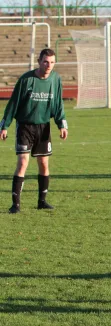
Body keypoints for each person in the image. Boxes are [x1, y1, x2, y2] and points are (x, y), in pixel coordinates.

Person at [0, 48, 68, 214]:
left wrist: (62, 124)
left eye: (52, 62)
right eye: (45, 61)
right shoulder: (26, 80)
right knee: (23, 163)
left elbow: (58, 104)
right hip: (25, 126)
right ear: (39, 61)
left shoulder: (56, 79)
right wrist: (4, 125)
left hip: (44, 127)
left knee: (44, 164)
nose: (48, 65)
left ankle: (42, 201)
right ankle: (15, 205)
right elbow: (13, 104)